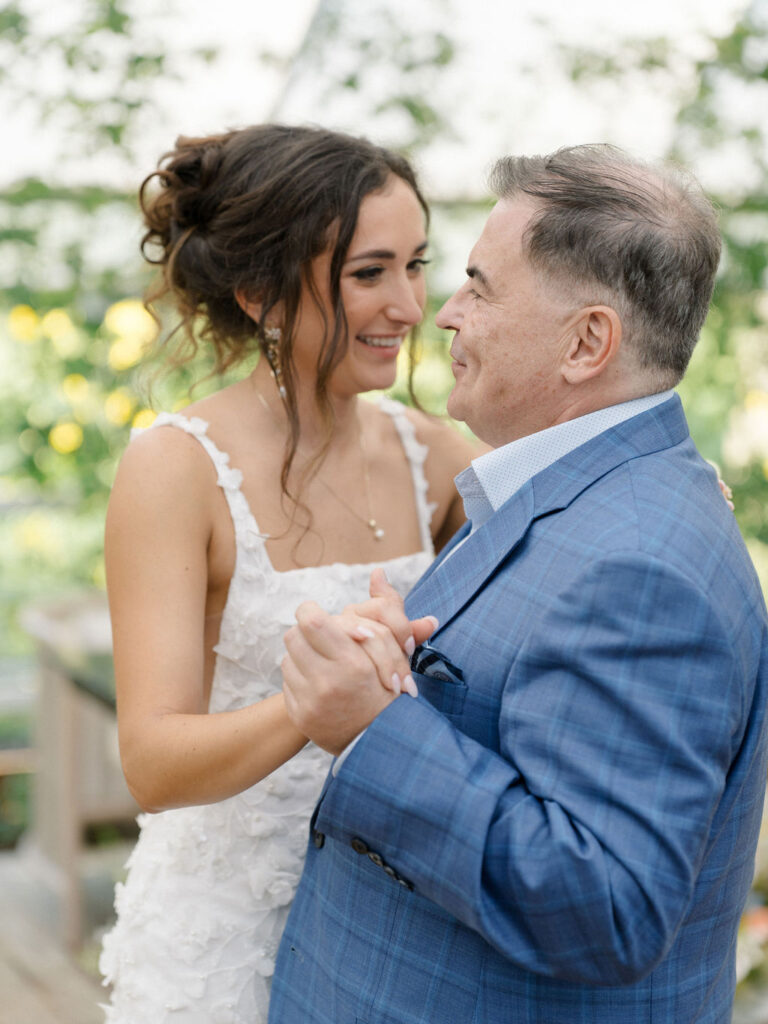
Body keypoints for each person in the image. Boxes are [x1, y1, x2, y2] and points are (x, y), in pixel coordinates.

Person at [271, 144, 768, 1023]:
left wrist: (374, 728)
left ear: (587, 342)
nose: (446, 314)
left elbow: (608, 905)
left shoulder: (641, 569)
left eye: (480, 285)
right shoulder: (572, 490)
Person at [98, 124, 475, 1023]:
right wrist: (312, 706)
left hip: (387, 936)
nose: (411, 306)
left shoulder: (434, 458)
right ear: (263, 293)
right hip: (221, 946)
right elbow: (151, 765)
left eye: (416, 265)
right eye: (368, 273)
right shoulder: (174, 470)